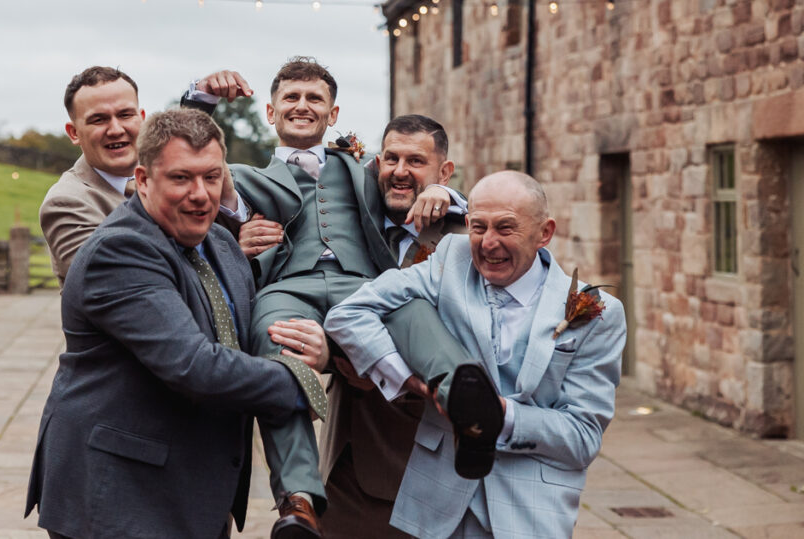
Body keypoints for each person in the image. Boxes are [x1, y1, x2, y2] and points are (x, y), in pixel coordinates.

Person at [189, 60, 463, 537]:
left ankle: (464, 392)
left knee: (412, 309)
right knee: (279, 353)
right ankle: (298, 500)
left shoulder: (366, 169)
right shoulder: (246, 176)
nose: (302, 106)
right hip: (287, 288)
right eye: (291, 98)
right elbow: (190, 158)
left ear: (333, 113)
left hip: (365, 286)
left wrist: (443, 190)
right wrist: (202, 99)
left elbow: (415, 178)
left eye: (314, 98)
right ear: (271, 112)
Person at [25, 109, 322, 539]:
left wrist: (321, 346)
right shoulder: (121, 250)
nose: (201, 194)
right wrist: (300, 383)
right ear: (143, 180)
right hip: (121, 495)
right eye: (181, 178)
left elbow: (248, 334)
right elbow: (195, 367)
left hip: (191, 490)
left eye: (211, 177)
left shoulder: (219, 241)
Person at [325, 171, 627, 538]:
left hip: (529, 513)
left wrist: (501, 416)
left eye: (505, 228)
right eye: (479, 227)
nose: (488, 243)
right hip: (434, 505)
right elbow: (348, 314)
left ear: (544, 233)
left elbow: (582, 437)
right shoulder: (449, 260)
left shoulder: (598, 313)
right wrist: (412, 382)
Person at [317, 115, 467, 539]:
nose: (400, 172)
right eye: (392, 159)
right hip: (350, 454)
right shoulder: (345, 224)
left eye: (416, 161)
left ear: (444, 172)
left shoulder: (466, 237)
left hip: (429, 452)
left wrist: (454, 199)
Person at [40, 66, 145, 286]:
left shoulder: (168, 175)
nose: (116, 129)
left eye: (125, 114)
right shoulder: (66, 202)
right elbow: (122, 281)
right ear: (74, 133)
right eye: (99, 119)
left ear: (141, 118)